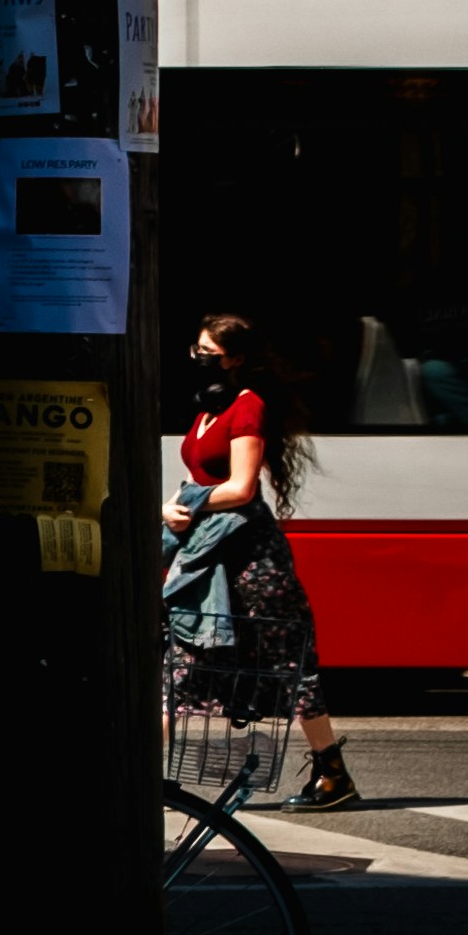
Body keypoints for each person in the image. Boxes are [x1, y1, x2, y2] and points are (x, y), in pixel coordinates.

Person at [164, 315, 360, 812]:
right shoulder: (209, 408)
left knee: (287, 661)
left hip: (251, 557)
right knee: (187, 657)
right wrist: (169, 508)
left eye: (208, 351)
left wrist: (187, 501)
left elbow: (241, 489)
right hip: (213, 553)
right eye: (197, 348)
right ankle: (140, 778)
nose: (198, 357)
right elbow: (199, 476)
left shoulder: (247, 407)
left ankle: (333, 775)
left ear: (234, 359)